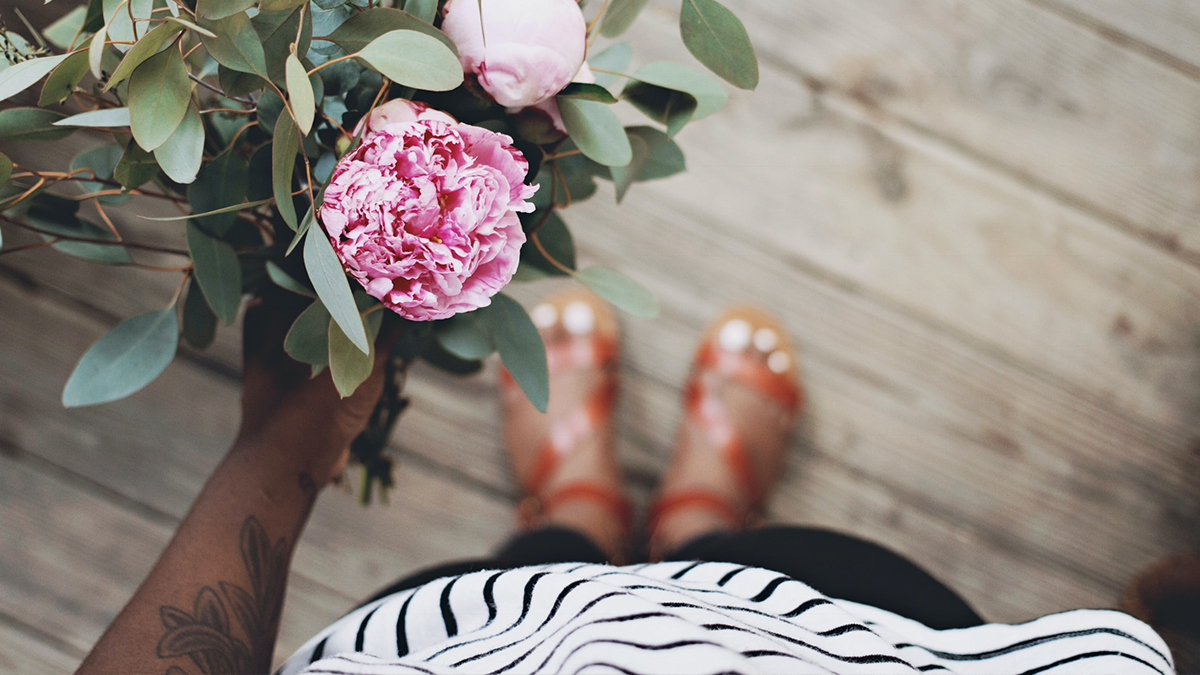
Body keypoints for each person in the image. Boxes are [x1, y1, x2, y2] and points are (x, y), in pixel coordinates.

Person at [76, 290, 1175, 675]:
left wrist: (286, 445)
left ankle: (570, 519)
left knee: (537, 580)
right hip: (853, 643)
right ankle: (707, 526)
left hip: (474, 648)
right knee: (777, 578)